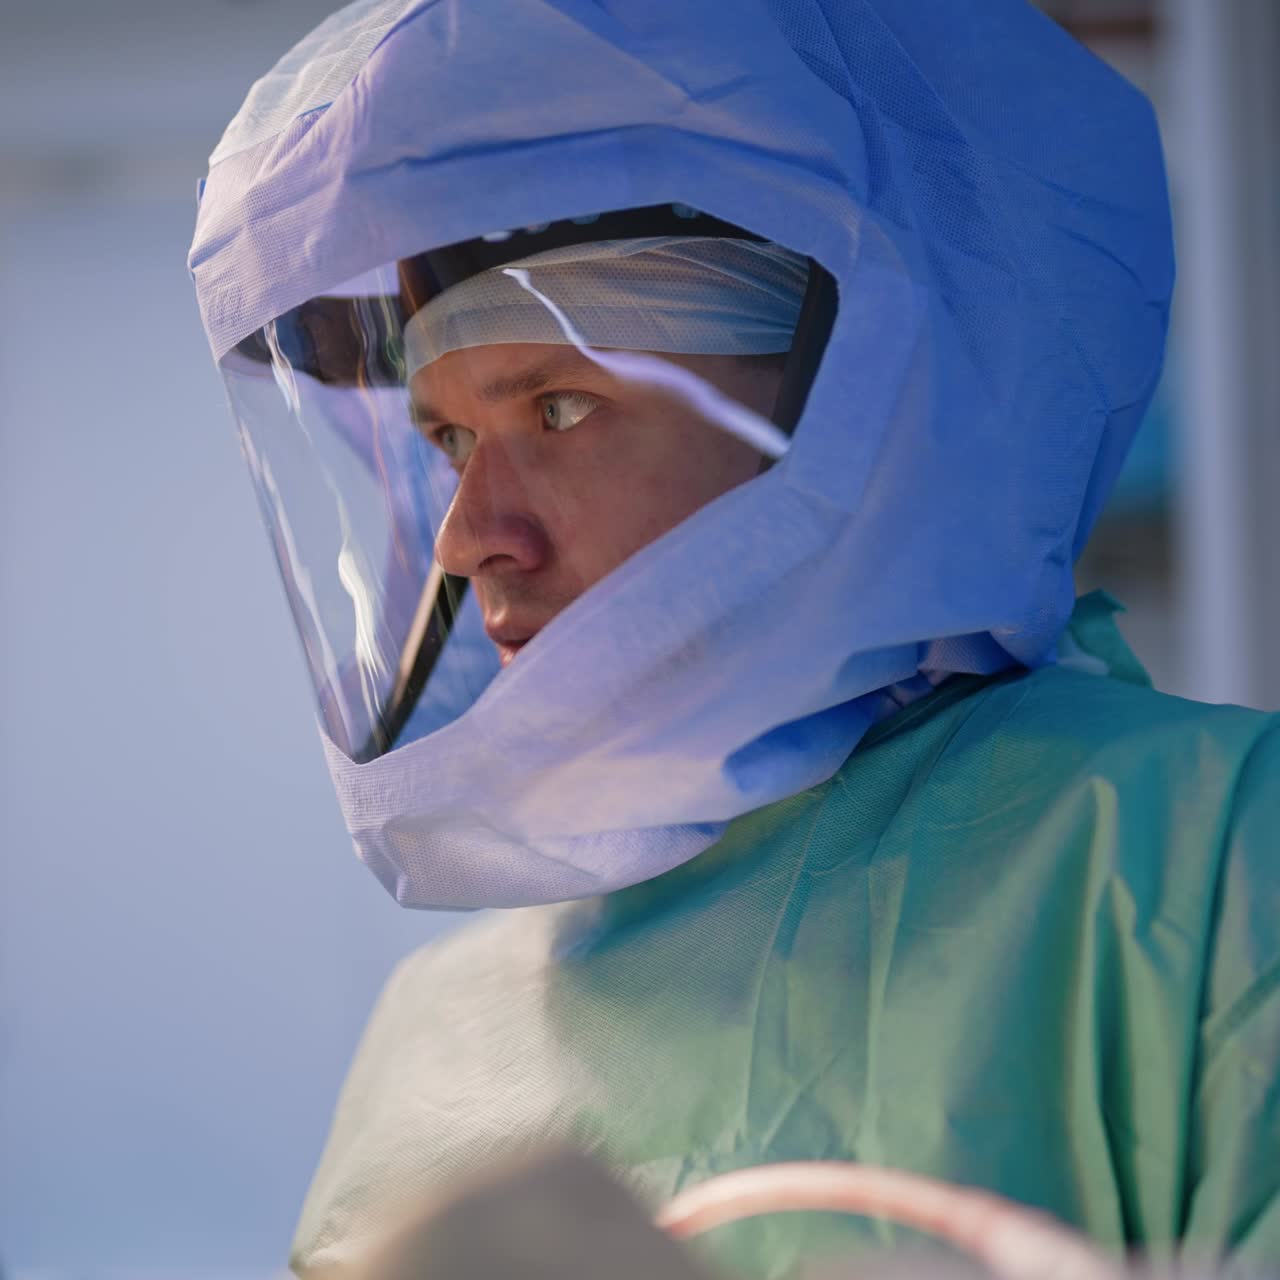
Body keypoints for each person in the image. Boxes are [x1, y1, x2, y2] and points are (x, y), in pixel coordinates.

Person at [188, 1, 1279, 1276]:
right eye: (447, 441)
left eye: (556, 404)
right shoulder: (432, 1038)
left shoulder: (1196, 848)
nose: (465, 535)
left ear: (875, 393)